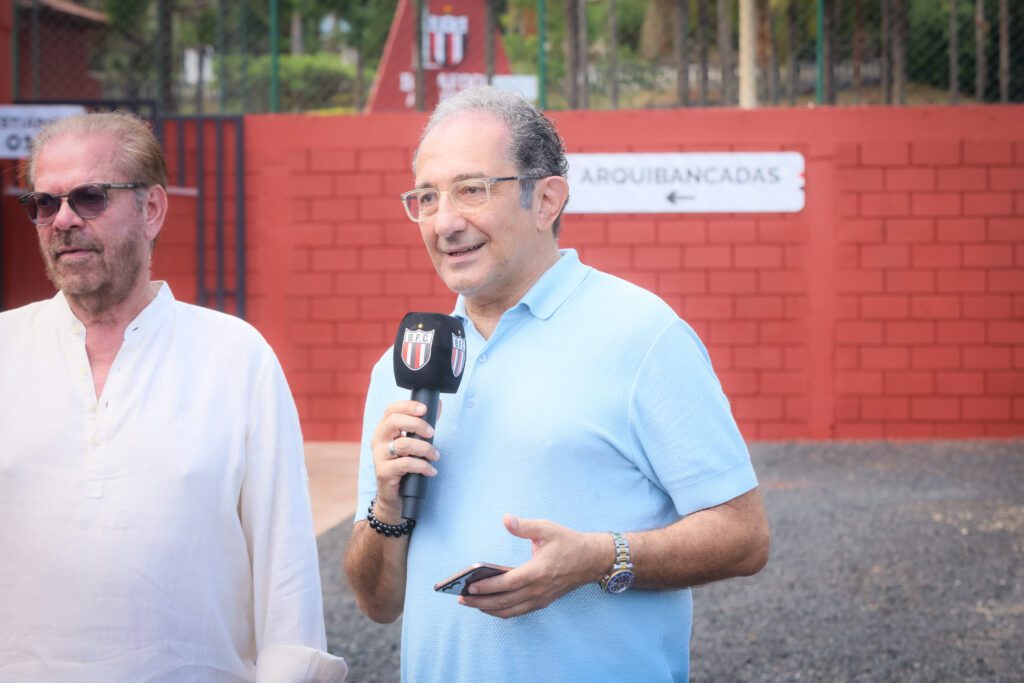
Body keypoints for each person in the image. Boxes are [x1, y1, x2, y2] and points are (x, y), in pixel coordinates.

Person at [344, 86, 770, 681]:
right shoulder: (401, 366)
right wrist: (388, 507)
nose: (445, 222)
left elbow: (745, 536)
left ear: (546, 200)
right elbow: (378, 603)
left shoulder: (643, 334)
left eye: (472, 190)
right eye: (426, 197)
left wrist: (599, 559)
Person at [0, 111, 347, 683]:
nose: (62, 219)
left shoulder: (235, 358)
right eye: (45, 202)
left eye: (88, 197)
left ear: (151, 208)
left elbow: (285, 569)